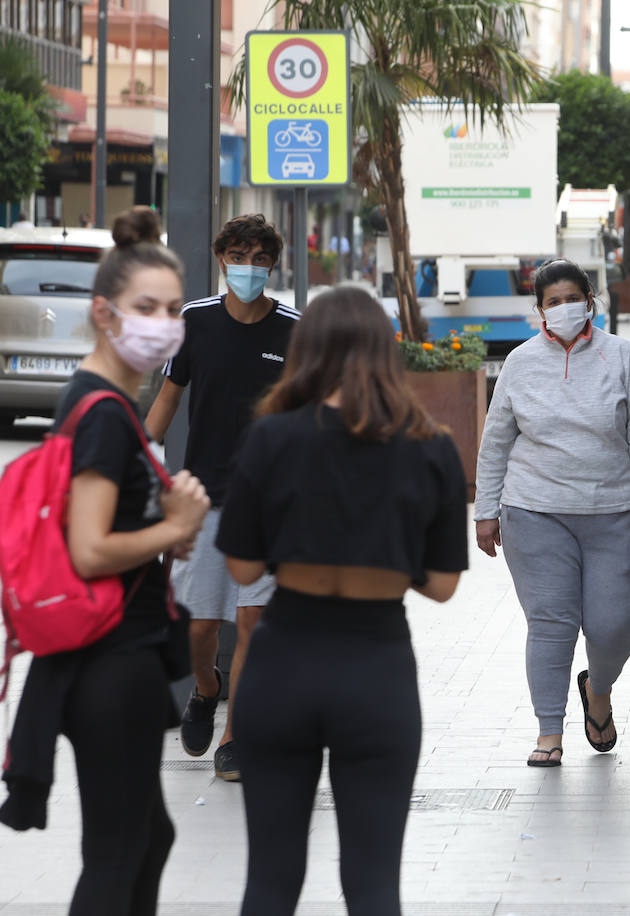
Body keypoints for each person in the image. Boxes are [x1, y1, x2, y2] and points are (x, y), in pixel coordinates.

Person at [214, 286, 466, 915]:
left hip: (282, 666)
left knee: (270, 879)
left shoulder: (272, 437)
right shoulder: (429, 445)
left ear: (308, 351)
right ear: (386, 352)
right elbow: (442, 585)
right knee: (374, 882)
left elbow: (242, 564)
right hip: (375, 669)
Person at [0, 208, 211, 914]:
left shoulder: (108, 404)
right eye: (145, 308)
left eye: (174, 309)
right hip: (109, 660)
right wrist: (175, 525)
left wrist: (165, 532)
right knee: (120, 851)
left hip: (121, 652)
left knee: (148, 839)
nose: (164, 323)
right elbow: (89, 550)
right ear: (103, 312)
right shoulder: (100, 414)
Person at [474, 259, 630, 767]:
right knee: (550, 623)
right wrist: (485, 510)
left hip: (614, 513)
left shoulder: (622, 357)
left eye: (572, 299)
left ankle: (597, 689)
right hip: (534, 511)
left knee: (612, 624)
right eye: (552, 302)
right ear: (539, 309)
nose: (564, 309)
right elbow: (495, 442)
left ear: (590, 301)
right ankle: (548, 731)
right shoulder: (519, 362)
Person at [144, 213, 299, 782]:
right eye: (239, 257)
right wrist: (137, 459)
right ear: (221, 259)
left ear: (272, 265)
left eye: (260, 259)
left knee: (253, 619)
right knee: (196, 626)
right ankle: (207, 690)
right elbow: (167, 399)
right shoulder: (194, 322)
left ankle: (236, 736)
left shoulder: (293, 329)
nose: (249, 268)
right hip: (203, 500)